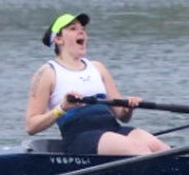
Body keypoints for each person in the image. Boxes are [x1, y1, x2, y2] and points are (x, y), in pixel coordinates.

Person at [24, 12, 168, 155]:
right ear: (58, 39)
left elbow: (121, 116)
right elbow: (31, 126)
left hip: (112, 128)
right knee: (139, 150)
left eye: (83, 29)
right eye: (73, 28)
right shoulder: (47, 73)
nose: (81, 31)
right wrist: (62, 108)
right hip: (79, 136)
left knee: (163, 150)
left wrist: (128, 107)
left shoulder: (98, 68)